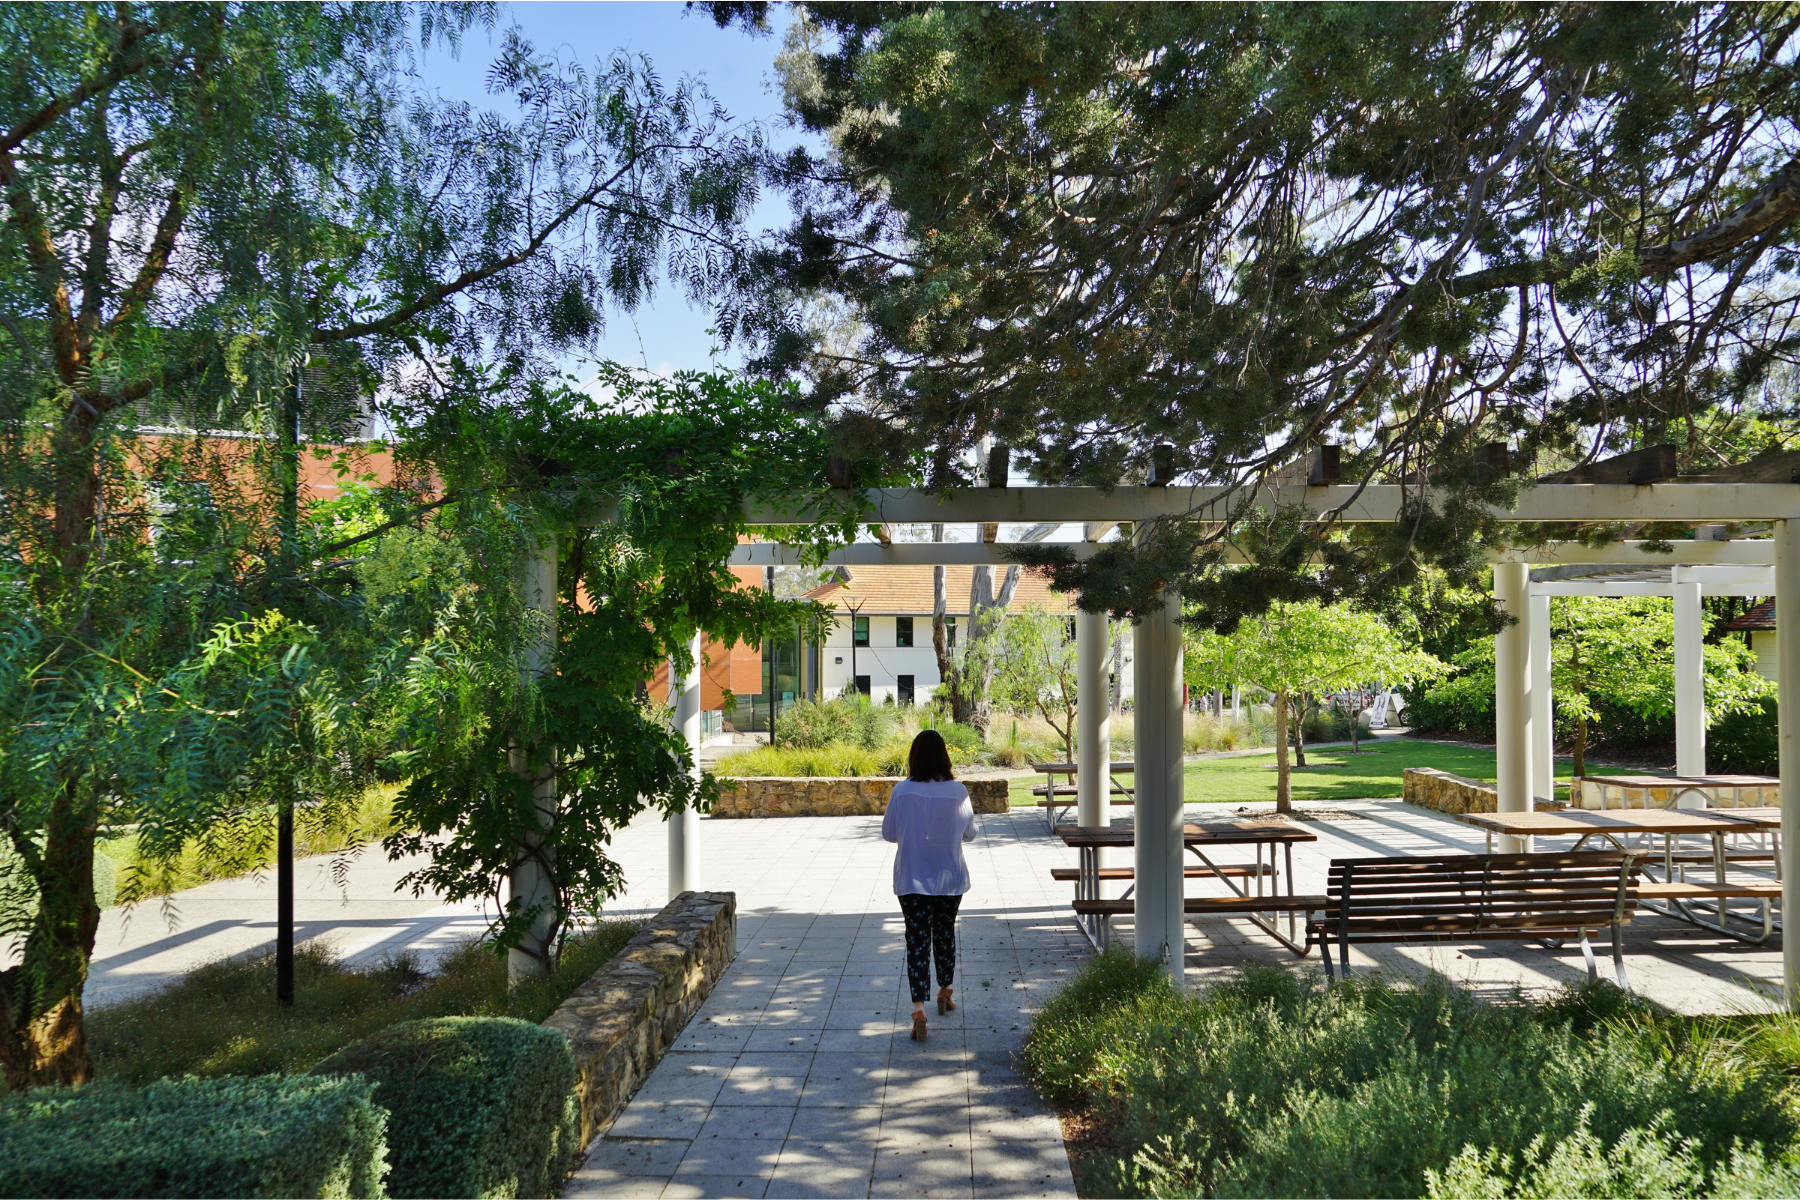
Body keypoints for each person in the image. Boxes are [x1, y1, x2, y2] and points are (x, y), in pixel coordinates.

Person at [881, 728, 977, 1042]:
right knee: (945, 933)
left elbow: (889, 833)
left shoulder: (901, 791)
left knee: (917, 941)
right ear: (944, 756)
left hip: (911, 879)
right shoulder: (958, 791)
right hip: (949, 879)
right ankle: (945, 991)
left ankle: (918, 1010)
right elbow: (970, 834)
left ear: (914, 757)